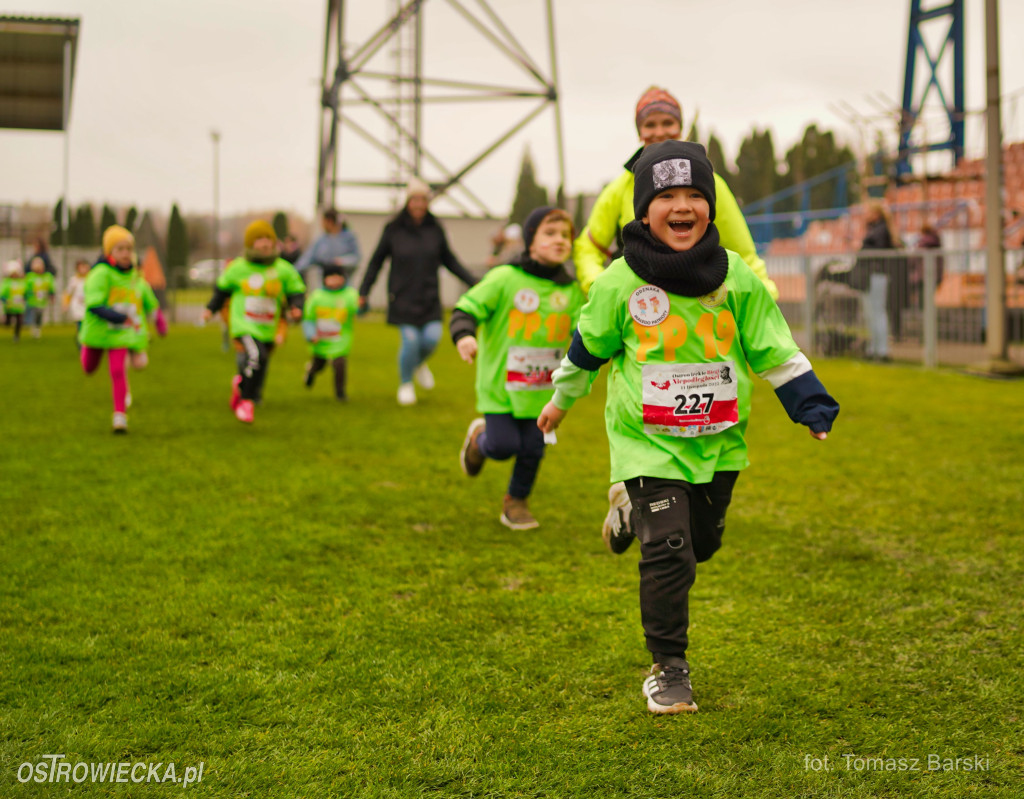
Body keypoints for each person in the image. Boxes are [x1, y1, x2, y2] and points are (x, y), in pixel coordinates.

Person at [537, 141, 839, 714]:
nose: (682, 206)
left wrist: (810, 406)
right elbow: (587, 350)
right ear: (644, 210)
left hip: (717, 441)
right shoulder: (619, 283)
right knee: (670, 550)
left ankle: (626, 511)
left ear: (711, 207)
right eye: (667, 196)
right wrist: (560, 401)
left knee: (702, 542)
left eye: (695, 195)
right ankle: (669, 668)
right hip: (645, 444)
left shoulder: (737, 281)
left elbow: (774, 349)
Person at [573, 86, 778, 300]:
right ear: (639, 132)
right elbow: (588, 247)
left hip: (698, 304)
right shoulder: (619, 189)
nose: (659, 131)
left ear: (681, 128)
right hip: (637, 306)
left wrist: (765, 298)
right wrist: (602, 289)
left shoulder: (712, 185)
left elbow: (744, 254)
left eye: (667, 123)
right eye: (650, 124)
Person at [451, 206, 585, 530]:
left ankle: (516, 502)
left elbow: (586, 330)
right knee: (502, 447)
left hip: (542, 390)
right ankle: (479, 439)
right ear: (530, 241)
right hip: (501, 387)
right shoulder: (504, 278)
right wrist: (464, 335)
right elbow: (466, 308)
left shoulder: (571, 291)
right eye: (550, 234)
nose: (560, 241)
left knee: (533, 450)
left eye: (565, 235)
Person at [359, 178, 478, 406]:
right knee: (411, 341)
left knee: (432, 339)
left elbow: (450, 260)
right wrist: (364, 290)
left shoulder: (435, 229)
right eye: (414, 199)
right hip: (402, 296)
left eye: (423, 199)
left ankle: (417, 364)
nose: (418, 204)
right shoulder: (393, 229)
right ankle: (406, 384)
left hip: (429, 296)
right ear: (407, 201)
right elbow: (376, 262)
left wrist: (474, 281)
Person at [202, 220, 305, 424]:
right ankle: (246, 402)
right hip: (244, 324)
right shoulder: (238, 268)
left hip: (267, 327)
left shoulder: (283, 269)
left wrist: (297, 307)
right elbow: (222, 290)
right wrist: (210, 309)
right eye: (259, 239)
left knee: (261, 362)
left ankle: (242, 387)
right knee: (257, 357)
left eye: (268, 238)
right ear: (250, 243)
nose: (265, 243)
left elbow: (296, 289)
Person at [79, 226, 167, 433]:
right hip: (97, 332)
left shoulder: (135, 277)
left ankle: (119, 416)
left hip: (120, 334)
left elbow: (149, 301)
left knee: (117, 371)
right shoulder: (100, 273)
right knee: (89, 368)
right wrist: (119, 317)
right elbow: (94, 304)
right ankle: (91, 355)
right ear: (110, 252)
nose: (126, 253)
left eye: (129, 248)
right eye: (120, 249)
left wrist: (159, 322)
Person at [302, 264, 359, 401]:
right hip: (320, 339)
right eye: (331, 277)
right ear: (324, 279)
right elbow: (308, 318)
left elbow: (358, 308)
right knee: (319, 365)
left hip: (340, 340)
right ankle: (311, 372)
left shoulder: (349, 295)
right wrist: (310, 334)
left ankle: (340, 393)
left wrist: (363, 304)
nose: (335, 280)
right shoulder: (317, 296)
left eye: (338, 277)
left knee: (339, 364)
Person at [854, 201, 903, 359]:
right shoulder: (875, 229)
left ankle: (882, 350)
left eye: (868, 212)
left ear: (876, 214)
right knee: (870, 312)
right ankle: (873, 348)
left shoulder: (881, 230)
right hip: (871, 275)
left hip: (877, 275)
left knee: (878, 312)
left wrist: (860, 246)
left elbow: (877, 250)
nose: (865, 215)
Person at [295, 209, 360, 285]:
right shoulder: (321, 240)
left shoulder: (349, 238)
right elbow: (307, 258)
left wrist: (341, 261)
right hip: (324, 286)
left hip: (344, 286)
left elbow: (356, 258)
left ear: (330, 221)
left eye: (323, 222)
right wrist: (293, 270)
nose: (322, 225)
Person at [24, 256, 55, 339]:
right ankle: (33, 327)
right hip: (32, 300)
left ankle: (37, 328)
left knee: (39, 314)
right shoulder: (30, 277)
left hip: (42, 301)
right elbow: (26, 288)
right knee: (33, 314)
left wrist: (52, 296)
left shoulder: (47, 277)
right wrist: (26, 296)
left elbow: (51, 288)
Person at [63, 259, 92, 343]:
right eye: (82, 267)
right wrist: (65, 304)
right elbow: (68, 293)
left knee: (87, 327)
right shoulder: (74, 280)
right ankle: (80, 343)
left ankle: (85, 342)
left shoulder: (91, 279)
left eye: (85, 267)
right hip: (78, 307)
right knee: (80, 326)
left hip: (87, 306)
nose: (84, 269)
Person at [1, 260, 27, 342]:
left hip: (19, 307)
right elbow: (2, 293)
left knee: (19, 321)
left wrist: (25, 297)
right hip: (9, 306)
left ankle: (16, 336)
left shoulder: (21, 282)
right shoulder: (7, 283)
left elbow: (25, 291)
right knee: (7, 323)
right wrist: (5, 300)